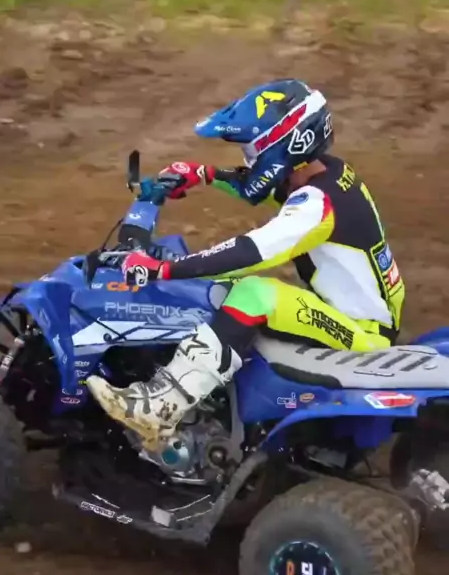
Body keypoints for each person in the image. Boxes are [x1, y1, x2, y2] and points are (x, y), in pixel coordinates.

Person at [87, 79, 405, 450]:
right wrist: (204, 174)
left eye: (253, 149)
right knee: (218, 294)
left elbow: (249, 252)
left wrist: (162, 269)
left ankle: (159, 408)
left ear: (289, 143)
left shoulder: (318, 205)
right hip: (360, 315)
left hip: (364, 334)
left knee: (254, 293)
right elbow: (266, 188)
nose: (249, 158)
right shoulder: (327, 174)